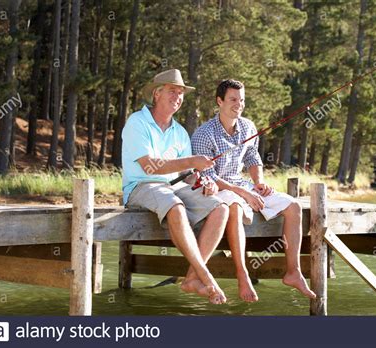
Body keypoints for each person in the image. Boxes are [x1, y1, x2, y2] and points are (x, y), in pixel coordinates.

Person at [191, 79, 316, 302]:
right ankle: (242, 273)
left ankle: (292, 272)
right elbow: (206, 176)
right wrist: (243, 193)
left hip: (243, 184)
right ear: (219, 101)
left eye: (242, 100)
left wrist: (258, 182)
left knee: (294, 206)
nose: (238, 104)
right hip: (217, 189)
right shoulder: (203, 134)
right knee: (236, 207)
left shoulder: (248, 127)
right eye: (233, 99)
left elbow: (252, 157)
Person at [122, 69, 229, 304]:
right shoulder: (136, 122)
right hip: (141, 187)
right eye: (173, 91)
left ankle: (191, 278)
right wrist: (192, 161)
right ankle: (206, 275)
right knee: (176, 206)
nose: (178, 97)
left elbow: (186, 175)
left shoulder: (180, 132)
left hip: (172, 188)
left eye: (181, 93)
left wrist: (203, 181)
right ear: (157, 94)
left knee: (221, 207)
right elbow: (150, 167)